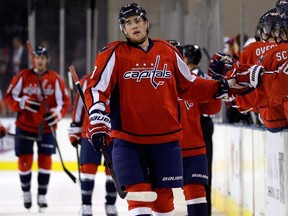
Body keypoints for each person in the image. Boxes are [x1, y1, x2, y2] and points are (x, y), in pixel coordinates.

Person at [83, 3, 244, 215]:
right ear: (123, 29)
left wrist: (220, 86)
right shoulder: (114, 53)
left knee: (163, 202)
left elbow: (189, 85)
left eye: (138, 21)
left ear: (146, 23)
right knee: (139, 199)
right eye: (128, 23)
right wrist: (98, 121)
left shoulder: (167, 51)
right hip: (129, 141)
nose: (134, 26)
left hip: (166, 142)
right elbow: (97, 89)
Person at [4, 46, 70, 210]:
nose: (40, 60)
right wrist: (23, 103)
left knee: (45, 163)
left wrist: (55, 115)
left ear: (47, 60)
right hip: (24, 126)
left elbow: (64, 103)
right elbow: (9, 97)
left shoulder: (55, 79)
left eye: (43, 57)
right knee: (24, 162)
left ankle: (42, 195)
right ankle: (26, 193)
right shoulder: (22, 76)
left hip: (45, 128)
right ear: (33, 60)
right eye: (37, 57)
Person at [180, 44, 222, 216]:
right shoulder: (202, 76)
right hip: (202, 125)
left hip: (196, 126)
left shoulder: (190, 78)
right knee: (203, 176)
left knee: (197, 176)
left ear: (187, 59)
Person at [68, 74, 118, 216]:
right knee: (87, 169)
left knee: (112, 170)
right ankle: (86, 205)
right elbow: (78, 107)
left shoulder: (119, 78)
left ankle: (110, 204)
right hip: (89, 131)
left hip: (113, 132)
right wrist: (75, 129)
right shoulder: (86, 81)